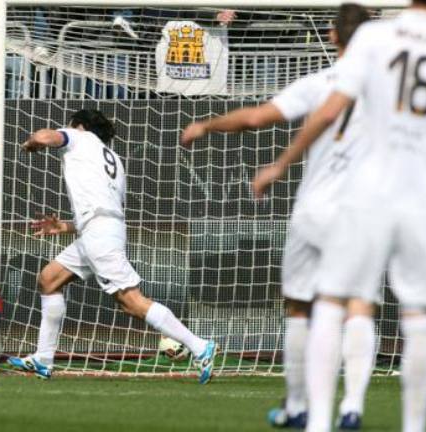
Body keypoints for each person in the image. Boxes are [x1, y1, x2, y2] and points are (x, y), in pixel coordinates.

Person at [251, 0, 426, 430]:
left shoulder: (374, 37)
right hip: (424, 201)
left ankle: (317, 421)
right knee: (417, 316)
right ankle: (409, 425)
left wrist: (281, 164)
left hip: (367, 194)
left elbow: (330, 110)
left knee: (332, 302)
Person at [182, 4, 374, 429]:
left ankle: (297, 405)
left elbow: (255, 118)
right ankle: (352, 406)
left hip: (316, 208)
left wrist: (207, 126)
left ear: (332, 35)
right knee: (358, 304)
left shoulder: (321, 83)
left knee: (300, 306)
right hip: (365, 211)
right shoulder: (391, 91)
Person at [6, 109, 217, 384]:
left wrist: (32, 142)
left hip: (99, 235)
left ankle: (200, 346)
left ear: (79, 126)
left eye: (70, 125)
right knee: (48, 279)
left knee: (131, 302)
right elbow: (106, 208)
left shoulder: (80, 137)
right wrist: (65, 227)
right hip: (99, 230)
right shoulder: (113, 159)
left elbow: (46, 136)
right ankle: (43, 359)